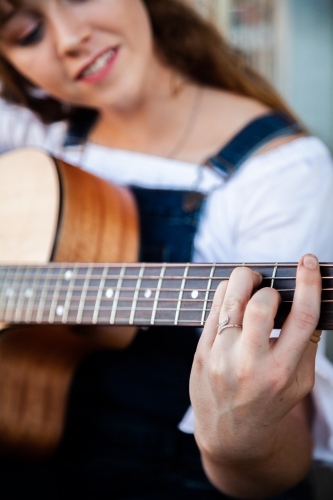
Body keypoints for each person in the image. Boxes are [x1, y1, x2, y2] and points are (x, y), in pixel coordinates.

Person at [0, 0, 332, 498]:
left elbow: (279, 461)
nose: (69, 38)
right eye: (27, 32)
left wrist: (238, 440)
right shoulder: (32, 131)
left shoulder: (280, 173)